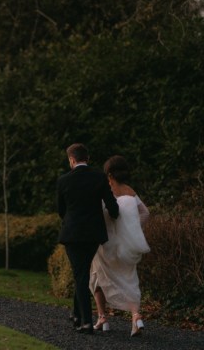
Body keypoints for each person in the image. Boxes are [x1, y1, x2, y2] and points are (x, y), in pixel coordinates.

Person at [57, 143, 119, 334]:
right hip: (93, 235)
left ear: (72, 160)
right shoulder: (99, 178)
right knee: (82, 273)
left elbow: (61, 211)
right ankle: (76, 315)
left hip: (73, 235)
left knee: (81, 275)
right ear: (88, 158)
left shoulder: (63, 180)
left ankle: (85, 321)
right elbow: (113, 207)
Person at [89, 155, 150, 337]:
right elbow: (145, 213)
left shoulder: (106, 190)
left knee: (96, 278)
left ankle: (102, 318)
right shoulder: (131, 192)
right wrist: (131, 230)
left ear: (109, 173)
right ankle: (136, 317)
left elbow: (99, 214)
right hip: (126, 246)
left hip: (106, 244)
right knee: (129, 280)